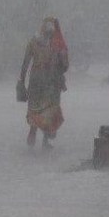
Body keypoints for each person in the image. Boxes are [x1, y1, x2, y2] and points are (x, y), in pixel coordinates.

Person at [19, 17, 69, 149]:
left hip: (36, 80)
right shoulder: (57, 44)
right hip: (50, 82)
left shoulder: (34, 42)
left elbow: (25, 62)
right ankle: (45, 139)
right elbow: (64, 66)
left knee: (35, 107)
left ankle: (33, 132)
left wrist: (22, 80)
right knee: (49, 110)